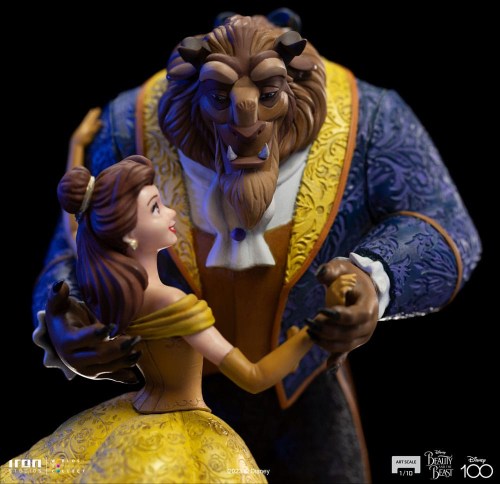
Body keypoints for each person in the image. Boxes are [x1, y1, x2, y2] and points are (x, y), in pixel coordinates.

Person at [32, 12, 481, 482]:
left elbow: (445, 223)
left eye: (267, 97)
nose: (245, 127)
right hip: (178, 413)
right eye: (219, 100)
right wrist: (69, 316)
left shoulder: (369, 118)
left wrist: (373, 278)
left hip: (308, 396)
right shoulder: (129, 126)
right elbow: (75, 245)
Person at [3, 155, 355, 483]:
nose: (172, 213)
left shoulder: (120, 296)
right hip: (184, 426)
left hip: (131, 413)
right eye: (156, 208)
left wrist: (77, 146)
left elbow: (74, 231)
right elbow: (254, 377)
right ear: (129, 235)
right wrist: (311, 335)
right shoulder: (172, 303)